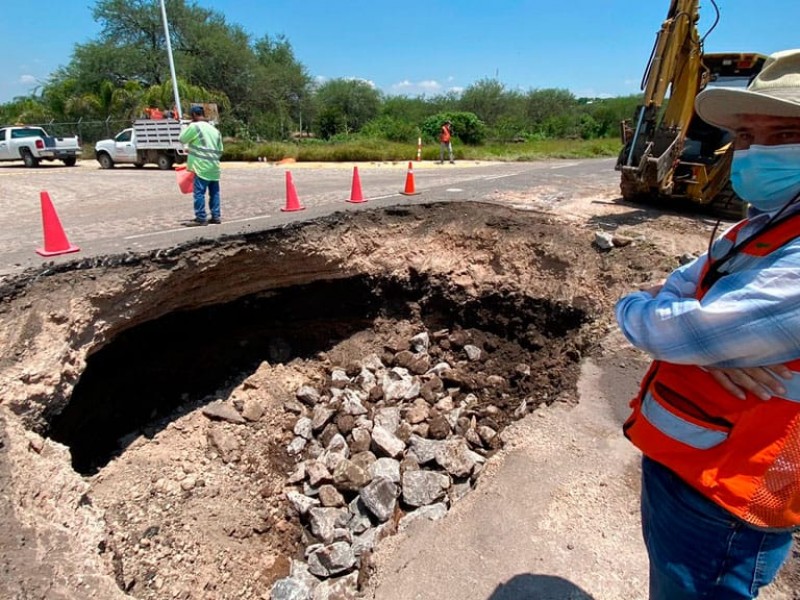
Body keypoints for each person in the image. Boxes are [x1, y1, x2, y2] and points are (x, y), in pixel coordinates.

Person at [616, 48, 800, 599]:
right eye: (745, 137)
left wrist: (651, 314)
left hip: (729, 495)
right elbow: (682, 291)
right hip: (692, 465)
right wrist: (704, 334)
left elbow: (669, 326)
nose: (753, 151)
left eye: (781, 133)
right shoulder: (765, 227)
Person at [179, 105, 223, 226]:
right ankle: (216, 216)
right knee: (214, 192)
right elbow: (220, 150)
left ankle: (201, 218)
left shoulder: (194, 127)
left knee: (199, 193)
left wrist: (186, 126)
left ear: (193, 115)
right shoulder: (215, 130)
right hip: (214, 166)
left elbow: (182, 139)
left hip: (201, 166)